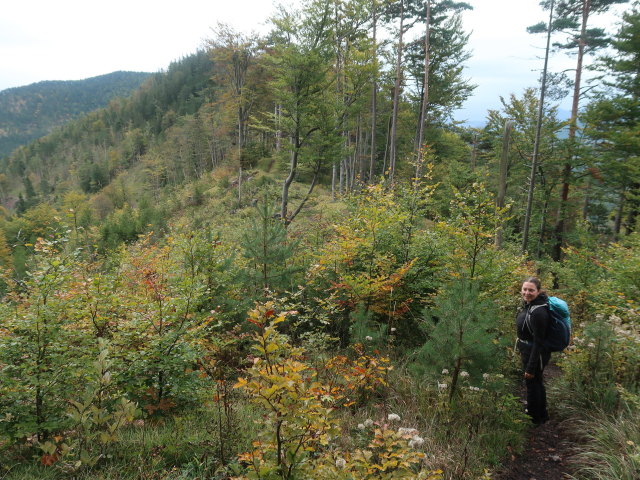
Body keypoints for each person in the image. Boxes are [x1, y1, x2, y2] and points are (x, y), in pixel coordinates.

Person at [516, 276, 551, 425]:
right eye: (525, 289)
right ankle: (541, 414)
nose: (527, 292)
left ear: (538, 291)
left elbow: (538, 342)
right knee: (537, 382)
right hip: (529, 351)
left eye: (531, 290)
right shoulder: (531, 305)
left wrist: (531, 366)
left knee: (532, 382)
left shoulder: (539, 312)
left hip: (535, 354)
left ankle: (533, 418)